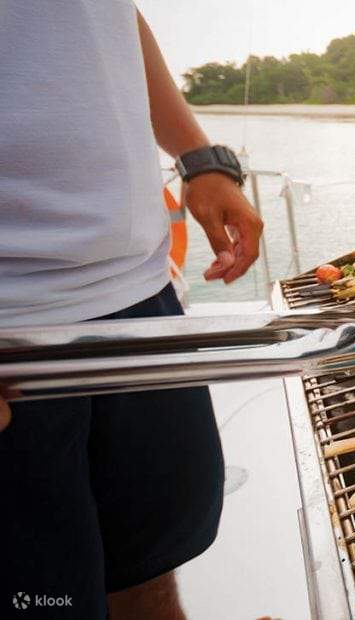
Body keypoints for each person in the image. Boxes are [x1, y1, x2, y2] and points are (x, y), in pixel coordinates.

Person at [0, 3, 263, 618]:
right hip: (13, 335)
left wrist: (199, 158)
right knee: (44, 600)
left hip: (142, 299)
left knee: (147, 570)